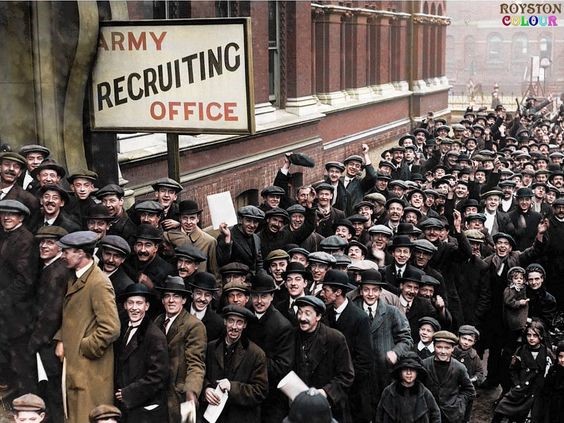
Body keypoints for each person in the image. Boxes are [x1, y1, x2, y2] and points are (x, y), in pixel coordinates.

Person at [54, 231, 121, 423]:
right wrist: (61, 338)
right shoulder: (75, 276)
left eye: (67, 252)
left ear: (82, 253)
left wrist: (84, 348)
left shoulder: (99, 283)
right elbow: (73, 316)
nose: (63, 255)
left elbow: (111, 327)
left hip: (90, 371)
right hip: (77, 367)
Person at [27, 226, 70, 423]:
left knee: (53, 393)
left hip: (49, 342)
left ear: (61, 248)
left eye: (50, 242)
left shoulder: (58, 272)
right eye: (42, 242)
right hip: (45, 340)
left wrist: (34, 341)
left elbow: (51, 314)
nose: (43, 246)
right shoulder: (49, 267)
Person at [353, 269, 413, 409]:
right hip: (359, 374)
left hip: (385, 373)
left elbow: (406, 339)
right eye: (366, 290)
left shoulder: (392, 312)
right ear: (361, 291)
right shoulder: (353, 310)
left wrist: (396, 353)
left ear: (380, 292)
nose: (370, 294)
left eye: (374, 290)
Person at [201, 305, 268, 423]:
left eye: (239, 323)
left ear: (245, 325)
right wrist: (206, 389)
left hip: (241, 418)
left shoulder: (256, 354)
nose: (234, 327)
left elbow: (260, 391)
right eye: (231, 321)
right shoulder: (211, 347)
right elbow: (201, 374)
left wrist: (232, 387)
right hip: (213, 417)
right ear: (225, 322)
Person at [322, 270, 373, 423]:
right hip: (329, 389)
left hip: (352, 393)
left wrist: (344, 383)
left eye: (326, 290)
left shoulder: (360, 318)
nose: (322, 293)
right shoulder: (325, 313)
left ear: (338, 292)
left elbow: (364, 360)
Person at [154, 276, 207, 423]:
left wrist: (192, 392)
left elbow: (196, 363)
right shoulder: (158, 321)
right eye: (167, 296)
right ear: (163, 300)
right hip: (157, 395)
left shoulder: (194, 326)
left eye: (176, 296)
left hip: (180, 396)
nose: (171, 300)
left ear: (184, 300)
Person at [293, 296, 354, 423]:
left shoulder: (335, 338)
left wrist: (325, 392)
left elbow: (346, 376)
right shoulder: (292, 336)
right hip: (300, 409)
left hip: (330, 409)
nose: (302, 318)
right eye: (299, 312)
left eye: (307, 313)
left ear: (318, 317)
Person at [114, 284, 169, 422]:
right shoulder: (121, 329)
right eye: (130, 303)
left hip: (143, 408)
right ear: (125, 306)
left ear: (147, 306)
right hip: (123, 405)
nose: (134, 308)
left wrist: (129, 393)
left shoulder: (155, 336)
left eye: (139, 303)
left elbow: (158, 376)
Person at [0, 199, 39, 395]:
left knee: (23, 362)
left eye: (11, 214)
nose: (6, 217)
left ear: (21, 217)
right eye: (3, 214)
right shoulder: (7, 235)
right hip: (8, 312)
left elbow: (25, 280)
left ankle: (30, 402)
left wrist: (2, 299)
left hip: (20, 313)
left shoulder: (24, 240)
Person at [246, 272, 295, 423]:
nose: (259, 301)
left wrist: (250, 361)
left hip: (270, 397)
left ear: (272, 297)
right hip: (245, 393)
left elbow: (282, 367)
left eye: (264, 296)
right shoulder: (245, 317)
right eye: (255, 296)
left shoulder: (282, 326)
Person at [492, 320, 554, 423]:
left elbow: (551, 372)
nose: (531, 338)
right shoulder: (521, 350)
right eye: (529, 335)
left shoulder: (547, 353)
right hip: (521, 389)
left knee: (530, 417)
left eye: (535, 335)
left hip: (536, 392)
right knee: (501, 407)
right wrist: (517, 384)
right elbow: (512, 369)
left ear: (541, 337)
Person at [422, 330, 476, 423]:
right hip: (428, 413)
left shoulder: (459, 368)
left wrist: (458, 404)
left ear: (452, 349)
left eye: (447, 348)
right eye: (439, 347)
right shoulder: (425, 364)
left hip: (451, 416)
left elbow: (470, 391)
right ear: (434, 347)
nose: (443, 351)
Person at [375, 352, 441, 423]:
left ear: (417, 372)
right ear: (400, 371)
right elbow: (379, 416)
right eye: (405, 369)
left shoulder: (425, 393)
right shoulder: (388, 392)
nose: (408, 373)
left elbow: (436, 415)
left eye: (412, 369)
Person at [217, 205, 264, 275]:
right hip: (234, 278)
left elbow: (259, 262)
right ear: (241, 220)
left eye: (255, 222)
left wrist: (261, 276)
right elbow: (222, 261)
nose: (252, 225)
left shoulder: (256, 238)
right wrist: (227, 238)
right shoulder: (228, 235)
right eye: (248, 221)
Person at [453, 325, 484, 423]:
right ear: (458, 337)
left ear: (474, 342)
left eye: (470, 340)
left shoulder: (474, 357)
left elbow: (480, 373)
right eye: (464, 338)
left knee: (464, 414)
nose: (466, 342)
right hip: (451, 388)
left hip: (466, 390)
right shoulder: (452, 352)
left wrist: (472, 379)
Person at [188, 271, 224, 341]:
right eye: (199, 293)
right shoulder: (180, 312)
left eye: (207, 295)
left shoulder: (217, 323)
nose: (202, 299)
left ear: (211, 297)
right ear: (192, 293)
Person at [540, 341, 564, 423]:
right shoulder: (553, 370)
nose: (563, 360)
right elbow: (546, 389)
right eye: (560, 356)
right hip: (553, 406)